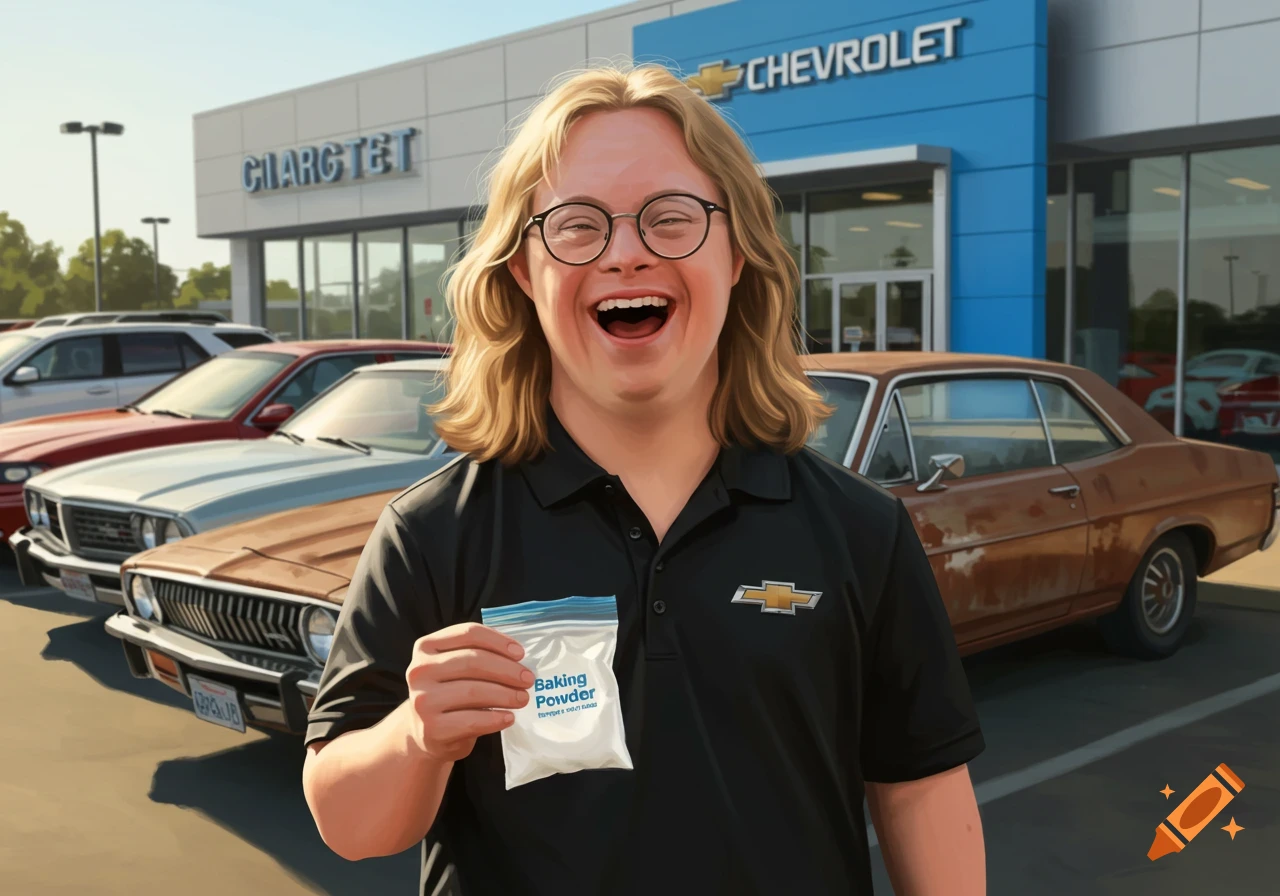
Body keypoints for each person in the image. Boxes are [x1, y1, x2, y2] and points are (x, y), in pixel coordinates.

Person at [301, 61, 986, 895]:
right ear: (523, 271)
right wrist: (417, 734)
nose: (626, 254)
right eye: (577, 226)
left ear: (738, 254)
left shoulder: (858, 530)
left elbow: (920, 786)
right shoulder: (435, 532)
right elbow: (349, 827)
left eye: (671, 219)